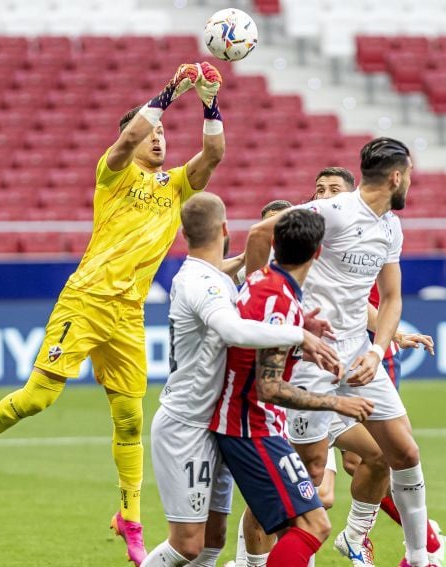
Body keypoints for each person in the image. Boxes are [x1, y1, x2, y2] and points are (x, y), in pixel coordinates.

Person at [0, 62, 226, 564]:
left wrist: (207, 100)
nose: (159, 139)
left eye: (164, 134)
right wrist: (170, 91)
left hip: (128, 313)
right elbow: (125, 142)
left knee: (130, 420)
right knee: (38, 398)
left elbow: (215, 154)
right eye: (152, 133)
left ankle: (130, 520)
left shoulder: (176, 186)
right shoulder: (113, 175)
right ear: (133, 137)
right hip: (86, 300)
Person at [246, 138, 435, 567]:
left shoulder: (390, 225)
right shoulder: (332, 212)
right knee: (309, 473)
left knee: (403, 452)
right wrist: (257, 300)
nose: (411, 182)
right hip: (311, 357)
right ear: (396, 176)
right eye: (410, 175)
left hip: (358, 352)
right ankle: (259, 559)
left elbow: (391, 299)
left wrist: (378, 348)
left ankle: (418, 558)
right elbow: (261, 232)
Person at [141, 194, 340, 567]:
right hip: (187, 423)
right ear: (225, 229)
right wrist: (298, 335)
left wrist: (298, 322)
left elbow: (236, 272)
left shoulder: (211, 275)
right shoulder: (203, 284)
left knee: (212, 541)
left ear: (183, 233)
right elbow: (233, 329)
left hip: (215, 422)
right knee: (186, 544)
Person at [211, 209, 375, 567]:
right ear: (320, 253)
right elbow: (269, 387)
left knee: (302, 525)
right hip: (251, 427)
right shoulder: (280, 301)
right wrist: (336, 404)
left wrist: (303, 332)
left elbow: (259, 343)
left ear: (275, 245)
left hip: (251, 423)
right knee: (314, 525)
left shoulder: (263, 280)